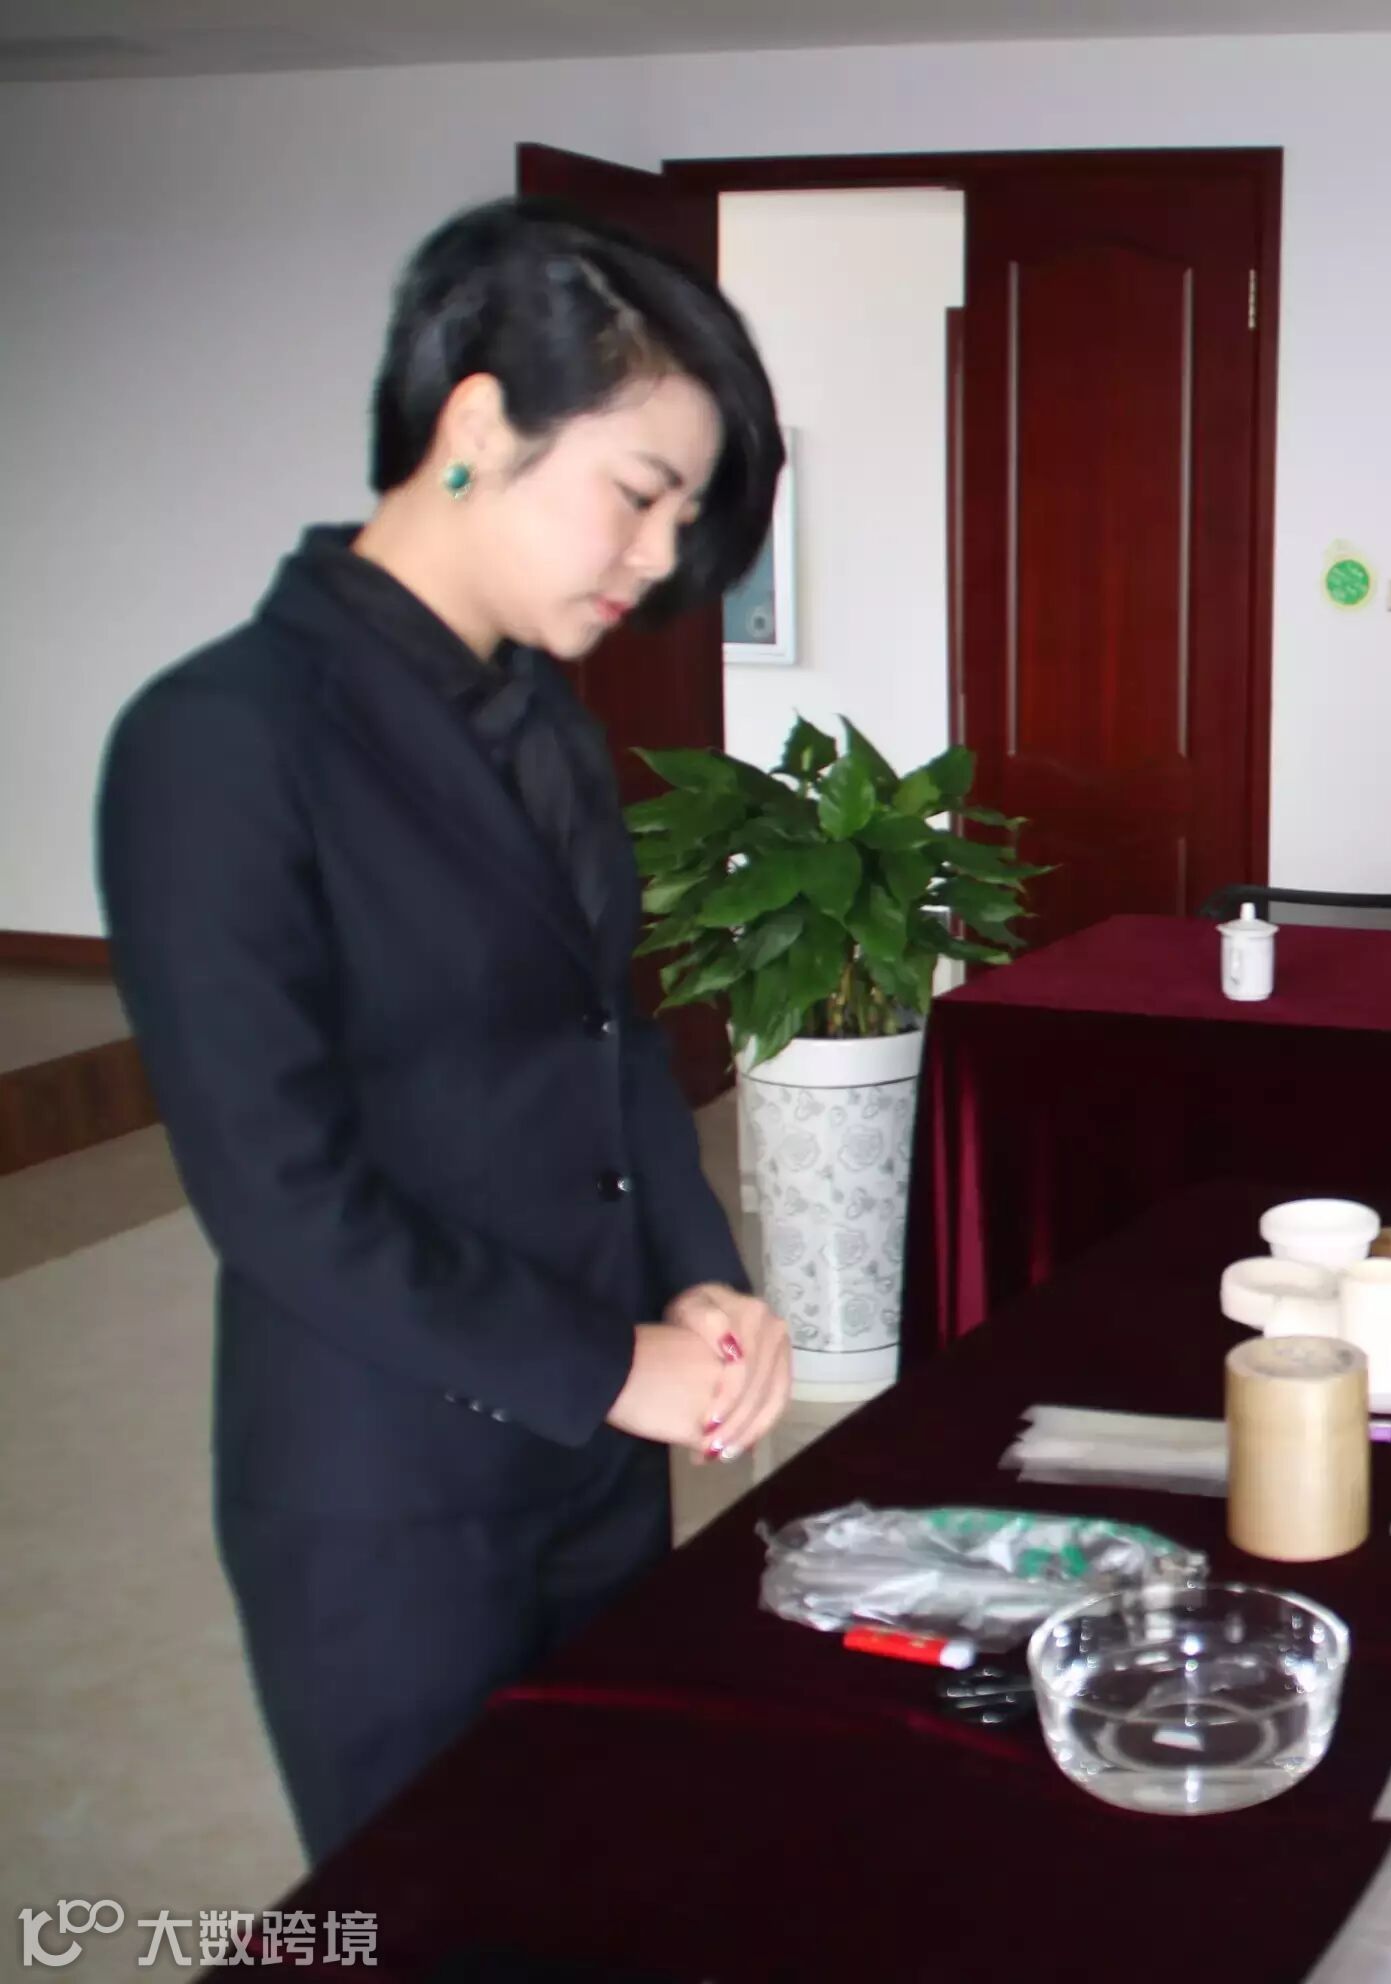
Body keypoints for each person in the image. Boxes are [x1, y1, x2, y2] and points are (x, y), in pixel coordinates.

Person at [97, 199, 797, 1864]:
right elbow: (277, 1193)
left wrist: (700, 1278)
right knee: (431, 1909)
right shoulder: (220, 737)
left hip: (597, 1458)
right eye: (640, 494)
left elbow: (611, 1043)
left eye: (683, 516)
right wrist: (606, 1365)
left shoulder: (546, 720)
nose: (657, 559)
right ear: (479, 425)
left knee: (603, 1879)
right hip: (385, 1489)